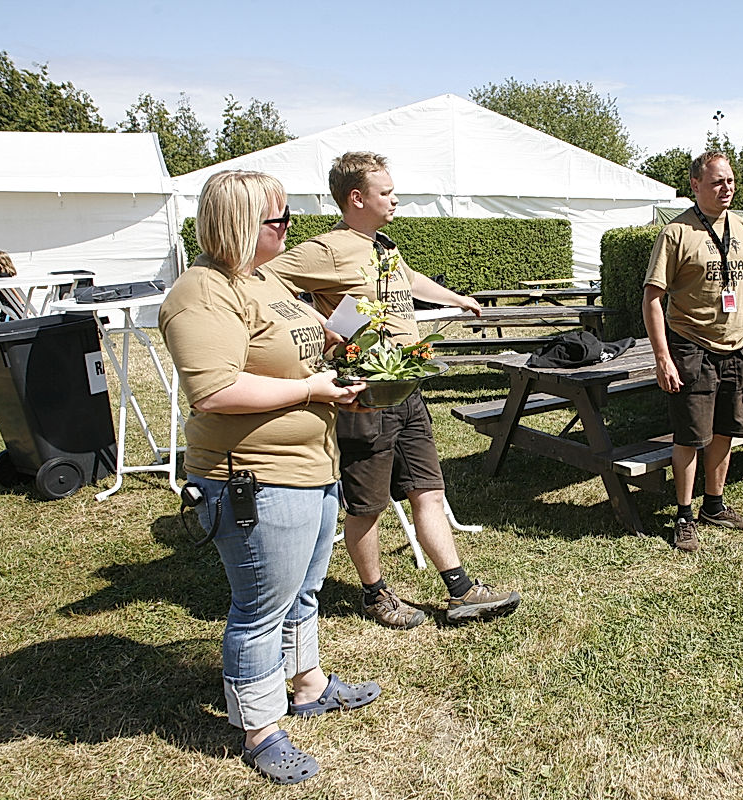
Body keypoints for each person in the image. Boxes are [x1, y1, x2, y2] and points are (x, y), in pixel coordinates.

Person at [159, 170, 380, 785]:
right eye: (276, 219)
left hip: (312, 467)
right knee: (260, 606)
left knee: (303, 591)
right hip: (254, 479)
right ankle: (259, 727)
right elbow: (215, 390)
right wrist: (312, 387)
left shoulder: (262, 280)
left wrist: (340, 367)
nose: (288, 229)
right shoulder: (201, 293)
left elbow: (300, 351)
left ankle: (307, 684)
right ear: (237, 223)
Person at [262, 151, 521, 629]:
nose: (395, 199)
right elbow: (266, 278)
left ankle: (461, 590)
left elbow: (408, 279)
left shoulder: (382, 245)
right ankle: (374, 595)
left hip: (407, 387)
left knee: (428, 489)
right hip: (364, 395)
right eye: (386, 192)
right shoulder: (330, 248)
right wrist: (320, 324)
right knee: (368, 504)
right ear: (356, 198)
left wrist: (456, 299)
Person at [641, 150, 743, 552]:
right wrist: (663, 357)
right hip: (692, 347)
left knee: (726, 432)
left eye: (730, 181)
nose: (727, 188)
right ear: (695, 185)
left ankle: (713, 506)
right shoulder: (676, 234)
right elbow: (651, 298)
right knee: (690, 436)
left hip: (737, 347)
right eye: (718, 182)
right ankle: (684, 514)